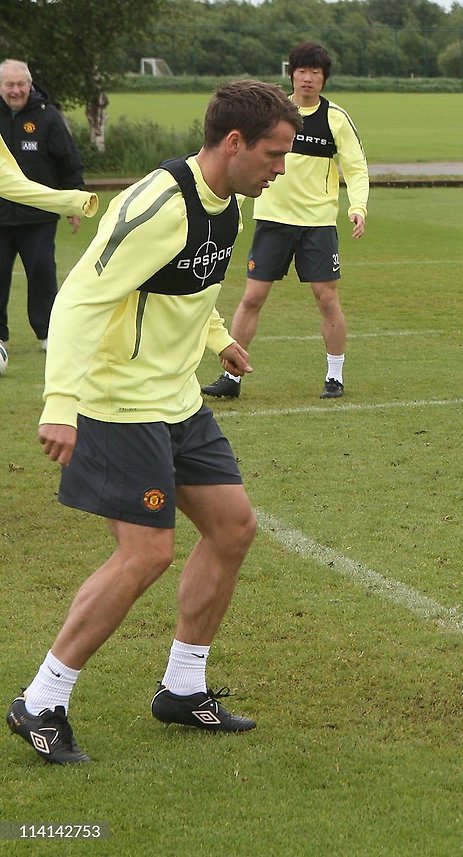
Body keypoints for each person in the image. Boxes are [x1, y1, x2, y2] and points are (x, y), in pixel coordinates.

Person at [7, 80, 302, 765]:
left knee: (232, 527)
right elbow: (80, 298)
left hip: (176, 400)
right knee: (145, 553)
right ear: (233, 143)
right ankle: (42, 699)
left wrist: (218, 336)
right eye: (274, 153)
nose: (280, 167)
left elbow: (188, 286)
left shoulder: (227, 199)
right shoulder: (158, 204)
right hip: (117, 402)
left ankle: (181, 686)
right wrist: (60, 405)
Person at [202, 42, 368, 401]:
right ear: (291, 73)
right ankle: (231, 378)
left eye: (316, 73)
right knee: (251, 298)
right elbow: (244, 161)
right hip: (272, 220)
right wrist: (230, 204)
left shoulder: (335, 118)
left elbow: (356, 168)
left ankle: (335, 377)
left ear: (324, 78)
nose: (308, 79)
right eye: (302, 71)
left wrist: (359, 207)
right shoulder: (271, 117)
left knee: (326, 299)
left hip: (318, 223)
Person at [0, 59, 85, 359]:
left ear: (30, 84)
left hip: (38, 215)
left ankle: (48, 332)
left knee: (41, 271)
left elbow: (68, 161)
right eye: (9, 84)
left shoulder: (48, 117)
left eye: (21, 84)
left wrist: (74, 202)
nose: (15, 90)